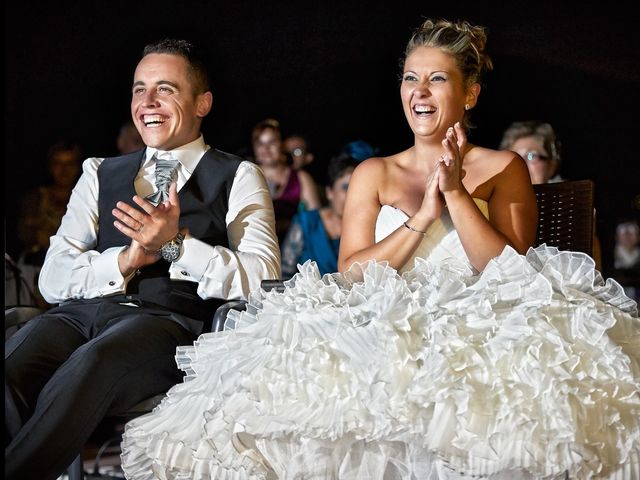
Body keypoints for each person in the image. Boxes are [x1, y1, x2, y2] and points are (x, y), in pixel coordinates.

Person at [121, 20, 639, 479]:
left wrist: (456, 192)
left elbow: (507, 270)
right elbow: (350, 271)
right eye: (411, 77)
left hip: (481, 316)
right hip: (382, 315)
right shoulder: (375, 172)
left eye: (437, 78)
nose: (420, 90)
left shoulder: (504, 167)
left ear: (471, 93)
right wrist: (421, 218)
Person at [4, 38, 280, 480]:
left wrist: (176, 247)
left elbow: (262, 277)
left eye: (165, 88)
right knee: (11, 366)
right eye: (138, 89)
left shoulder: (238, 176)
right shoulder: (98, 171)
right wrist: (126, 260)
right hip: (79, 315)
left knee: (90, 364)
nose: (147, 102)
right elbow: (52, 279)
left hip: (165, 324)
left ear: (202, 102)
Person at [500, 120, 603, 270]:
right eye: (515, 157)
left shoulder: (573, 205)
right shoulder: (495, 203)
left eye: (531, 156)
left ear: (552, 163)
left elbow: (592, 267)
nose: (520, 165)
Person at [14, 140, 83, 307]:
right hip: (36, 273)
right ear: (50, 166)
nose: (64, 170)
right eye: (58, 164)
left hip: (75, 272)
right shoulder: (36, 198)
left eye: (69, 163)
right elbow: (25, 233)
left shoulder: (85, 197)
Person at [280, 152, 359, 279]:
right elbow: (285, 272)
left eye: (357, 188)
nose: (352, 195)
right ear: (330, 192)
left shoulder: (365, 229)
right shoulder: (307, 222)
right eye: (345, 187)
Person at [251, 118, 321, 243]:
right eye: (260, 143)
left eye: (272, 142)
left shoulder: (301, 177)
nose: (265, 148)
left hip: (291, 246)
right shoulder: (247, 175)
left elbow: (315, 220)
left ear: (282, 145)